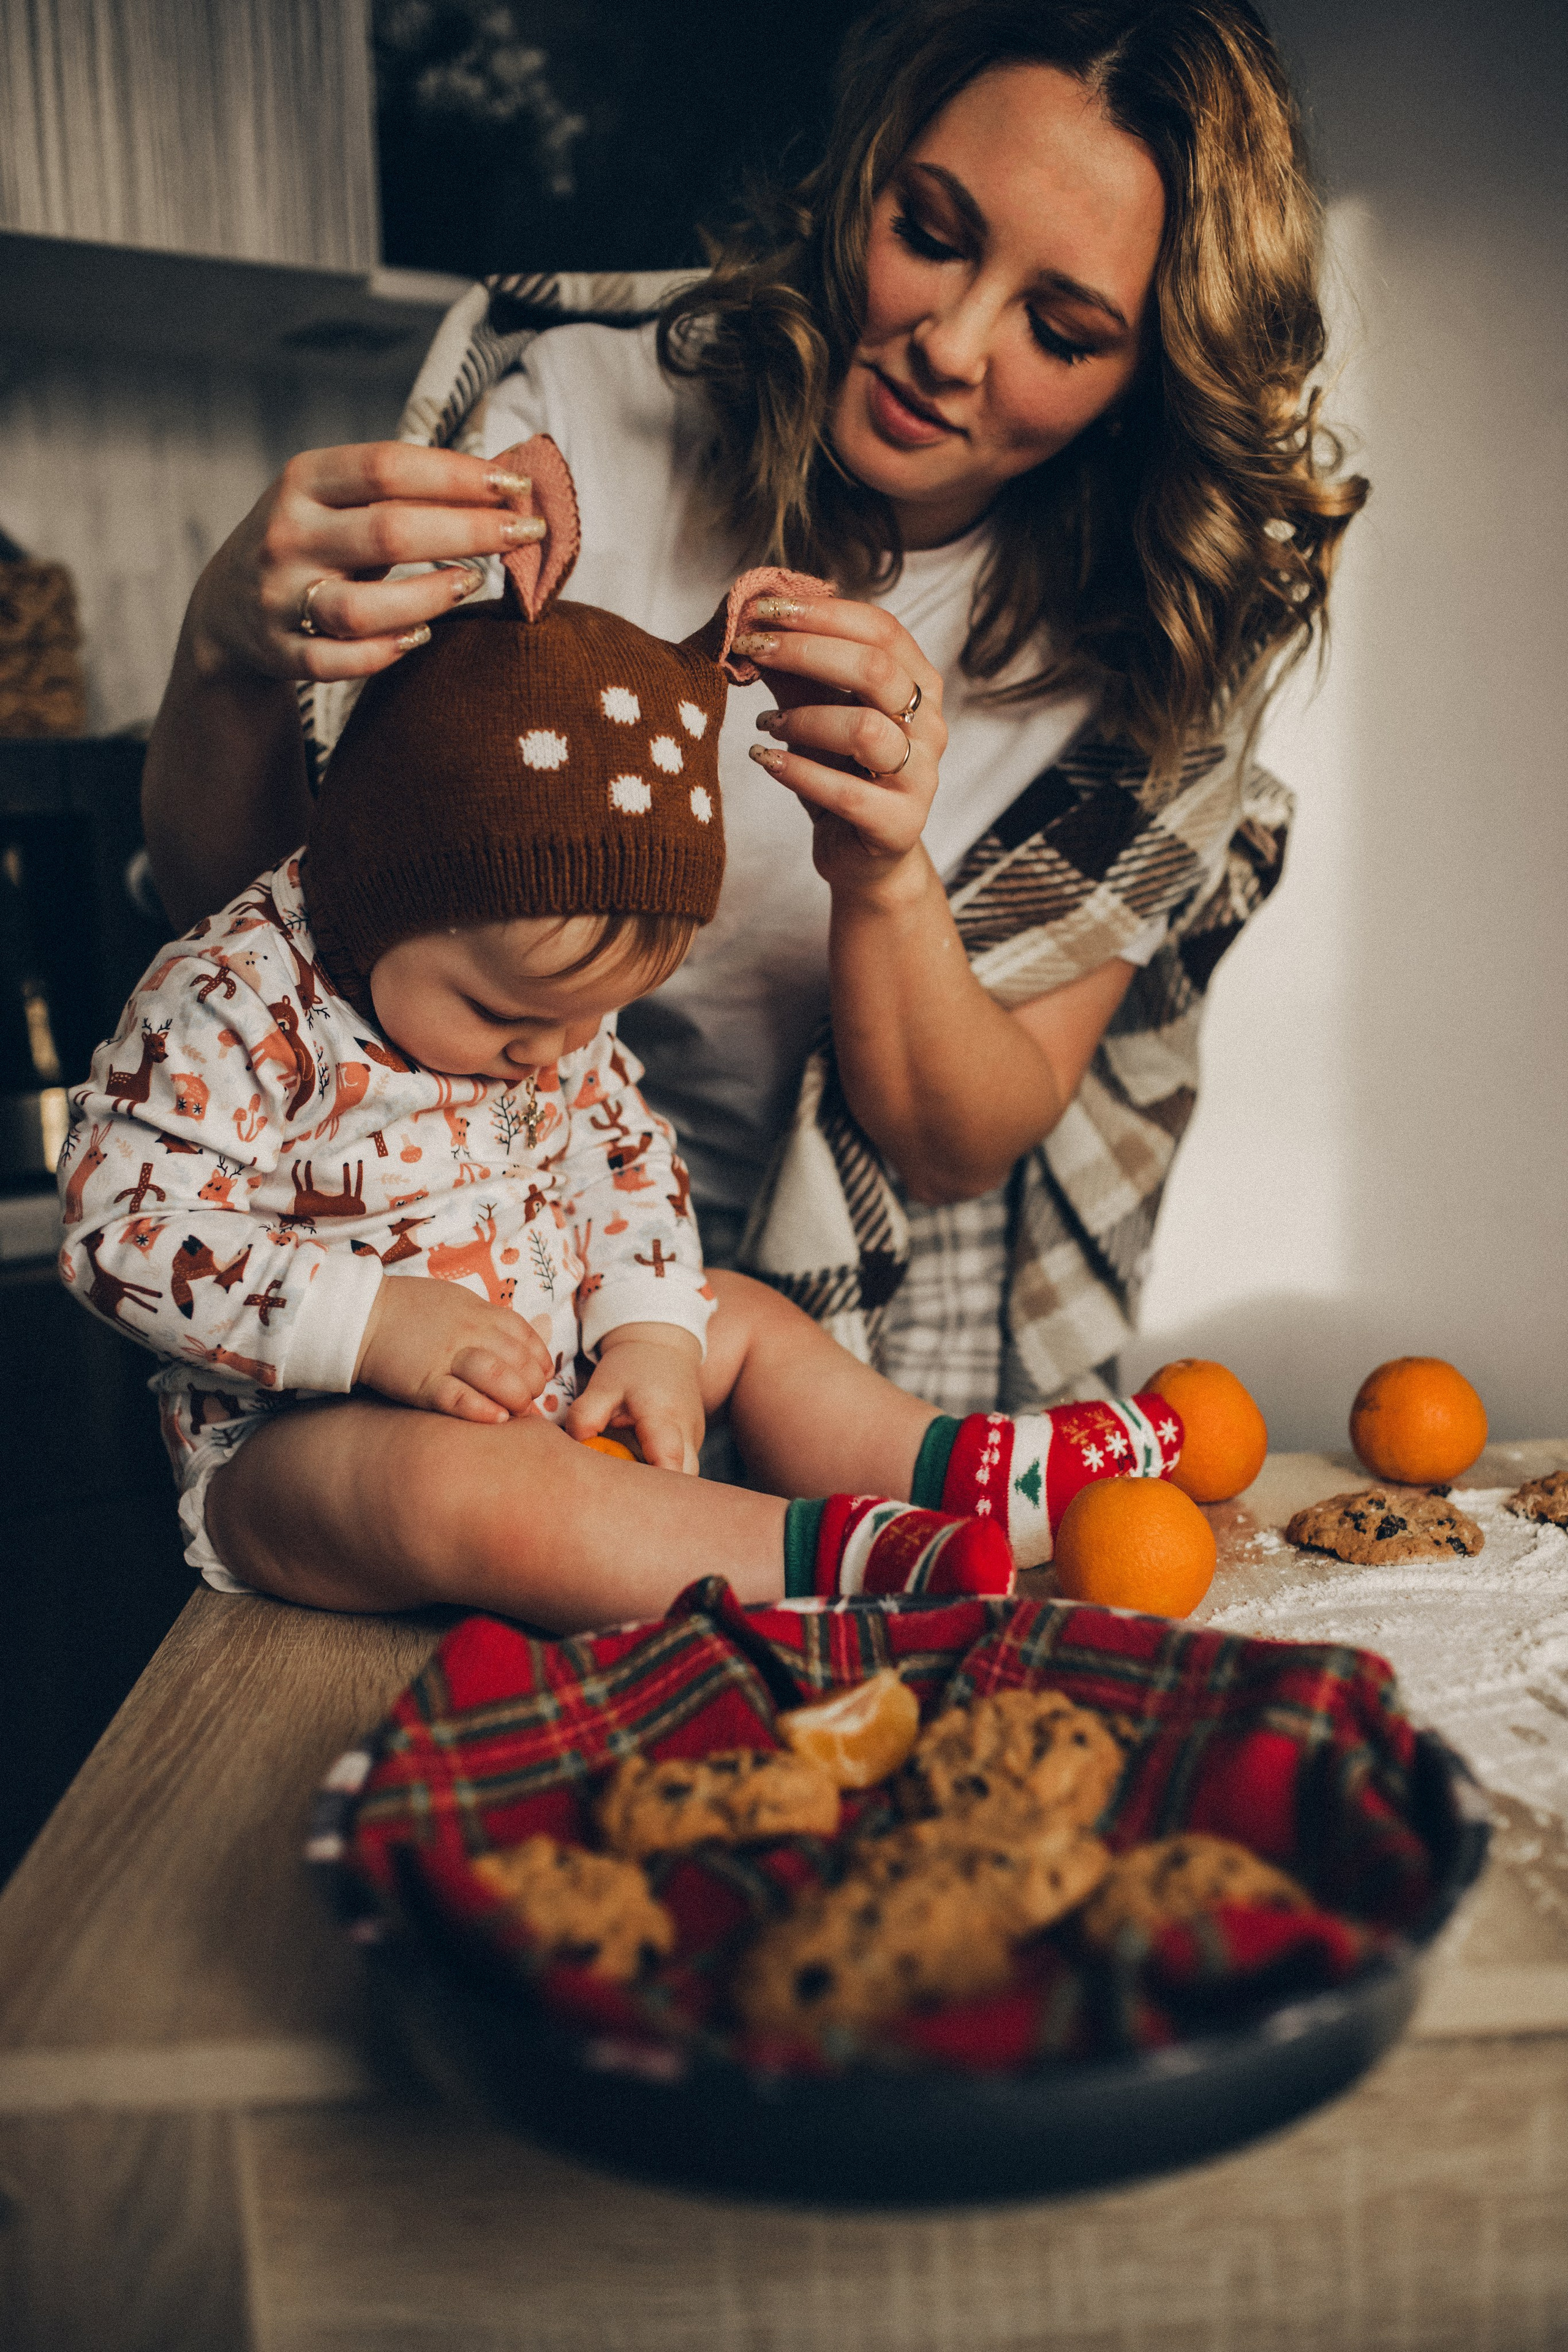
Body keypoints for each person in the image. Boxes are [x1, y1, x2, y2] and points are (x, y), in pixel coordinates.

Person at [139, 0, 1365, 1429]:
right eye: (929, 231)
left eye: (1059, 327)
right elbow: (254, 924)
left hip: (808, 1300)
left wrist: (886, 876)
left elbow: (955, 1145)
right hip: (424, 1243)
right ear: (861, 175)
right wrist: (227, 648)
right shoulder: (579, 419)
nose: (950, 343)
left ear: (1150, 377)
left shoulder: (1144, 668)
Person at [59, 473, 1183, 1628]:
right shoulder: (239, 999)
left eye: (589, 1020)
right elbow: (120, 1229)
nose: (552, 1057)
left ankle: (963, 1473)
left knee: (736, 1317)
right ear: (370, 889)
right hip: (303, 1440)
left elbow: (625, 1167)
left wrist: (647, 1328)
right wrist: (374, 1324)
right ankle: (813, 1557)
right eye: (506, 1020)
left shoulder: (557, 1026)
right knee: (458, 1490)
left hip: (550, 1371)